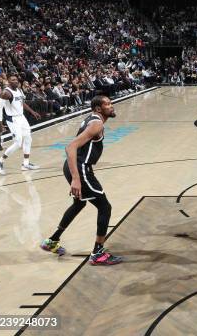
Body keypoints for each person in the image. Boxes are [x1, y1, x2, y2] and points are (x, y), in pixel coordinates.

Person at [40, 96, 123, 265]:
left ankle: (52, 241)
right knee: (105, 207)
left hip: (74, 166)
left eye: (110, 102)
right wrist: (76, 179)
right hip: (80, 169)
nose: (111, 105)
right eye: (107, 104)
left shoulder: (93, 119)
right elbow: (70, 147)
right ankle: (98, 253)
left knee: (79, 204)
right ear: (98, 109)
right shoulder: (97, 123)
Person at [0, 74, 41, 174]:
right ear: (9, 82)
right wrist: (0, 123)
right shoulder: (6, 93)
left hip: (21, 117)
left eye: (16, 79)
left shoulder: (18, 90)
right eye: (13, 80)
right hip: (13, 119)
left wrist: (32, 112)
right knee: (18, 142)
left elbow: (21, 103)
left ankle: (26, 164)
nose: (16, 81)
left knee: (28, 138)